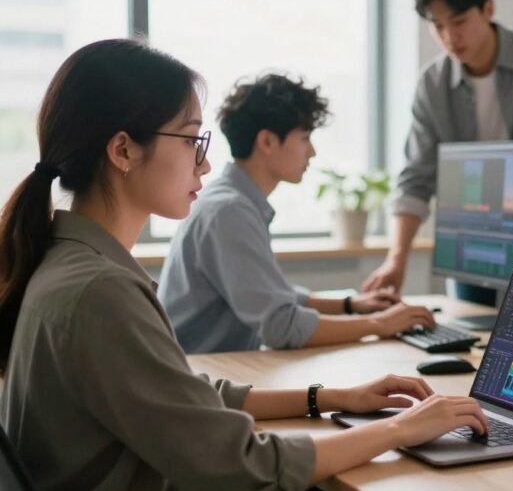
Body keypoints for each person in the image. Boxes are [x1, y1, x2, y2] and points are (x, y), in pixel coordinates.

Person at [0, 39, 487, 491]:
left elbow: (187, 398)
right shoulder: (99, 293)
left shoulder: (72, 263)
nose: (206, 161)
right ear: (124, 151)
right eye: (191, 139)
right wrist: (401, 429)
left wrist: (336, 397)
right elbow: (246, 470)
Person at [159, 74, 435, 354]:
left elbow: (273, 295)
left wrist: (350, 305)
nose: (312, 152)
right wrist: (378, 324)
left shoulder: (232, 202)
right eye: (304, 137)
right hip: (199, 377)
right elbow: (281, 326)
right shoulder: (229, 212)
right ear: (266, 141)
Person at [361, 0, 513, 295]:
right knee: (465, 334)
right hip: (471, 248)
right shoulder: (432, 83)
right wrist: (396, 259)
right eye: (438, 25)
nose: (449, 37)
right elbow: (416, 178)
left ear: (488, 8)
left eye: (459, 21)